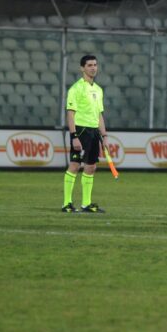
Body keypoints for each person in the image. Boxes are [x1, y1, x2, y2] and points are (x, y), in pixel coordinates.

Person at [62, 54, 108, 214]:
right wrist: (74, 135)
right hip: (80, 131)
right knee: (75, 165)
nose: (93, 67)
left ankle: (86, 204)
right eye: (89, 65)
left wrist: (105, 136)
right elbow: (70, 113)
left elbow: (99, 115)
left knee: (91, 166)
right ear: (82, 68)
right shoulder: (76, 88)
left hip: (94, 132)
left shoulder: (98, 90)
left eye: (95, 64)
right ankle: (66, 203)